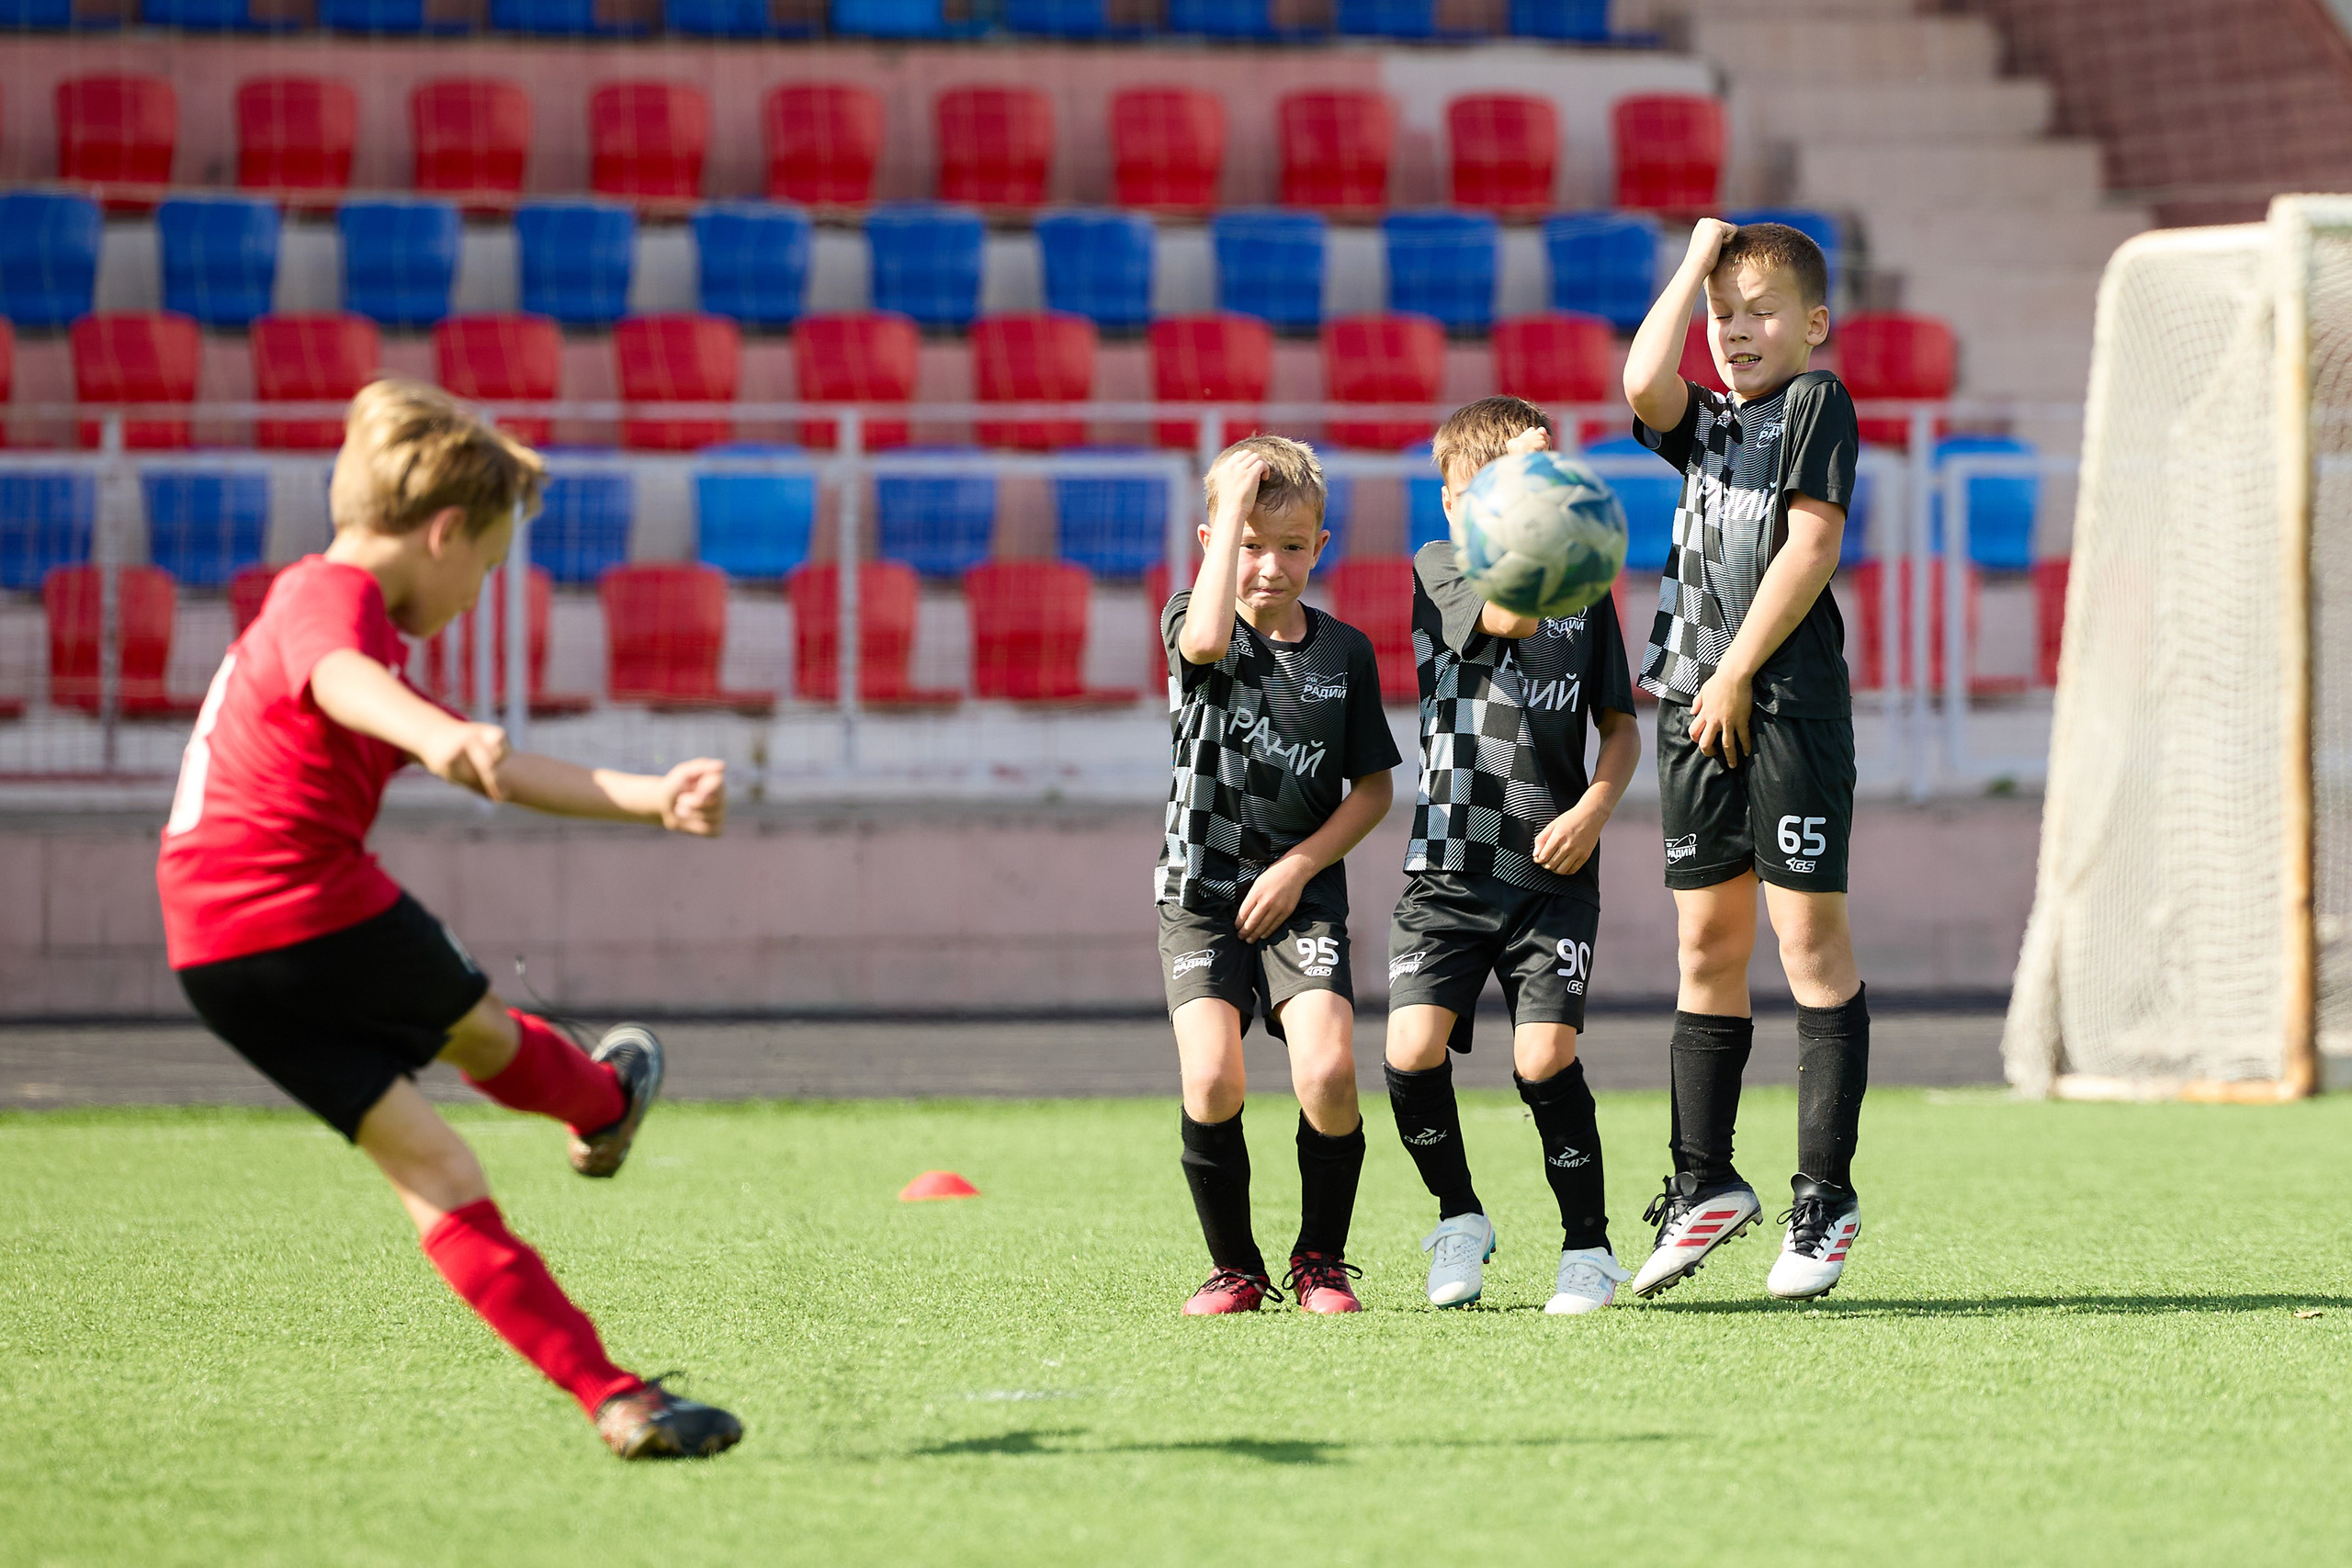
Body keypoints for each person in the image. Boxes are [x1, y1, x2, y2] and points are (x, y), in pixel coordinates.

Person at [155, 379, 745, 1456]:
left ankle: (618, 1401)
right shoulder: (334, 602)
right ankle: (605, 1103)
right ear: (441, 532)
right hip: (305, 902)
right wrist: (426, 731)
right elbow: (338, 680)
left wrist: (649, 797)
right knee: (474, 1027)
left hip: (210, 947)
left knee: (441, 1173)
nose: (478, 591)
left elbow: (492, 768)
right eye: (485, 562)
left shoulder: (318, 606)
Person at [1621, 220, 1871, 1303]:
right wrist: (1693, 266)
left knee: (1804, 939)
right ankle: (1704, 1183)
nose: (1735, 332)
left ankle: (1824, 1196)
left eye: (1760, 310)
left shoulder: (1816, 404)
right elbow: (1641, 382)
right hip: (1691, 705)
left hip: (1781, 706)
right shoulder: (1707, 423)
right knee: (1704, 945)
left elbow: (1809, 547)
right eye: (1722, 316)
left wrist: (1734, 673)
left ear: (1812, 324)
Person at [1384, 397, 1643, 1314]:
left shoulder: (1587, 588)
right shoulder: (1441, 564)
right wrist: (1537, 530)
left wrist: (1597, 808)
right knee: (1409, 1055)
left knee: (1542, 1061)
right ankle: (1459, 1216)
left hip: (1553, 874)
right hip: (1448, 867)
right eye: (1531, 472)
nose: (1556, 480)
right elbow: (1508, 615)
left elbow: (1618, 729)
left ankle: (1589, 1247)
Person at [1158, 436, 1401, 1314]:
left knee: (1330, 1072)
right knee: (1214, 1078)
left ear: (1321, 547)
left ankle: (1320, 1258)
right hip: (1200, 892)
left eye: (1291, 546)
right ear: (1214, 539)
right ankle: (1235, 1268)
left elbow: (1374, 789)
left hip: (1300, 894)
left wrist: (1301, 866)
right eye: (1249, 545)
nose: (1270, 566)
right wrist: (1230, 511)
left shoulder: (1344, 654)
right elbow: (1211, 633)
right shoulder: (1192, 619)